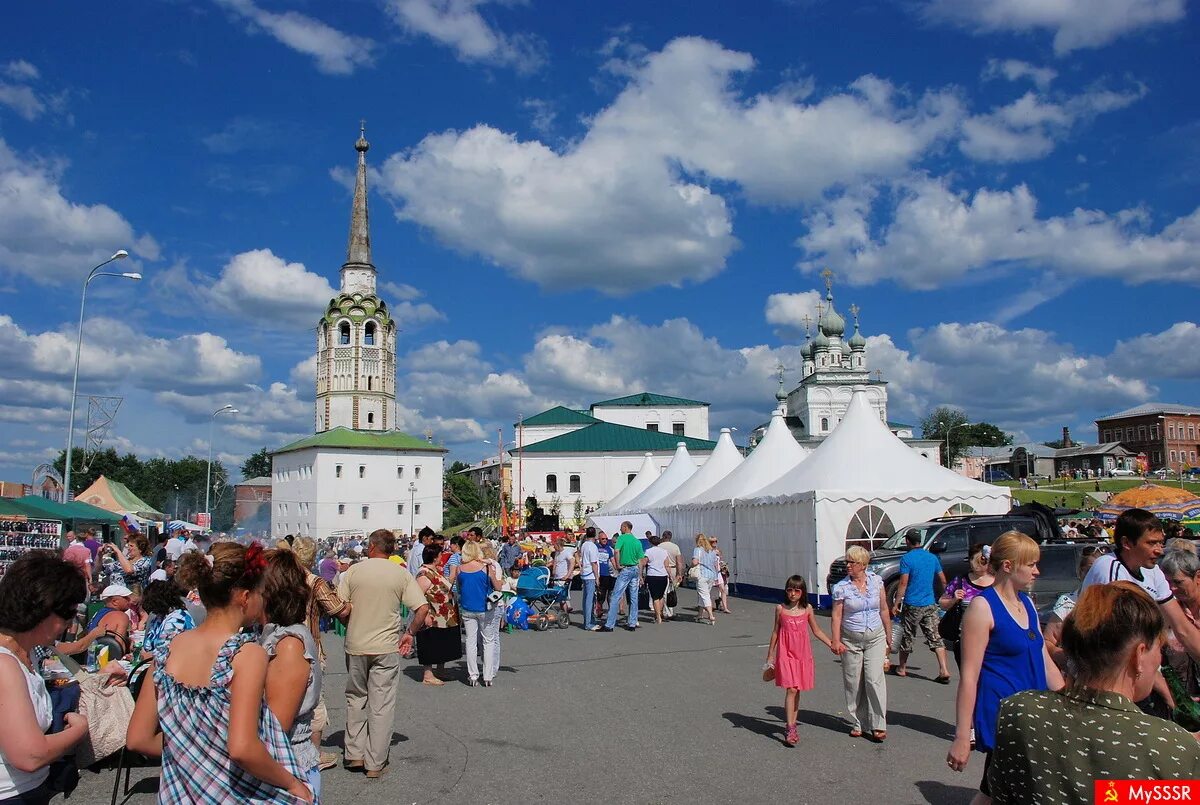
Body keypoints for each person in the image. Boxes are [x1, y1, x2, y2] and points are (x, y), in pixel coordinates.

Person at [126, 544, 313, 803]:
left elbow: (137, 739)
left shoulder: (168, 649)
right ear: (245, 597)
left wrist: (190, 749)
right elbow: (242, 747)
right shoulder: (246, 655)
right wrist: (293, 783)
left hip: (179, 794)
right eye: (261, 592)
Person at [989, 582, 1200, 801]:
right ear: (1138, 656)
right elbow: (1115, 794)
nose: (1160, 659)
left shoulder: (1018, 712)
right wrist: (1179, 744)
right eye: (1159, 647)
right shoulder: (1170, 747)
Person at [945, 531, 1064, 805]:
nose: (1037, 571)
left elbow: (1044, 659)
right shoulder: (982, 607)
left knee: (995, 791)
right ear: (1008, 566)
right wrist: (963, 736)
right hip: (1004, 718)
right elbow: (970, 677)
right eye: (1031, 564)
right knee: (1010, 790)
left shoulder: (1027, 604)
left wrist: (1071, 697)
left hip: (1033, 714)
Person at [337, 529, 430, 778]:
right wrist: (409, 632)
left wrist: (350, 624)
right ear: (391, 550)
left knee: (356, 697)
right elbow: (422, 607)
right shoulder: (399, 574)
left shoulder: (354, 571)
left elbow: (340, 607)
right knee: (382, 703)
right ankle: (375, 762)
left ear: (371, 547)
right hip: (386, 645)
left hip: (357, 642)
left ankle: (354, 753)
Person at [0, 552, 90, 805]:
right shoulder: (5, 664)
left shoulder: (29, 655)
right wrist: (79, 730)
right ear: (46, 610)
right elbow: (29, 756)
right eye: (68, 614)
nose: (70, 624)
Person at [1080, 508, 1200, 665]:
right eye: (1151, 543)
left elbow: (1182, 628)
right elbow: (1121, 641)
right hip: (1105, 668)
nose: (1159, 550)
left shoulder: (1153, 570)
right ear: (1127, 543)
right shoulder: (1108, 568)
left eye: (1160, 542)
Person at [259, 550, 323, 801]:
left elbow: (276, 727)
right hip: (278, 768)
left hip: (289, 769)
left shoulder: (288, 645)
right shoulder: (274, 634)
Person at [291, 538, 350, 772]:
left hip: (279, 644)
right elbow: (337, 609)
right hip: (309, 646)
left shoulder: (281, 578)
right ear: (312, 556)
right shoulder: (314, 582)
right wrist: (352, 607)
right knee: (314, 701)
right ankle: (312, 754)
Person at [764, 575, 835, 746]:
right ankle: (790, 728)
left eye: (797, 590)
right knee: (792, 689)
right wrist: (770, 655)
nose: (793, 593)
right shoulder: (780, 609)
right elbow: (775, 632)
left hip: (802, 654)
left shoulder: (808, 609)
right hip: (785, 653)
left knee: (797, 689)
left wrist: (832, 644)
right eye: (789, 589)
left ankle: (792, 724)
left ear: (802, 592)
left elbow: (816, 630)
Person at [830, 546, 891, 741]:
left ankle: (878, 723)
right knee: (854, 681)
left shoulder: (876, 582)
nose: (847, 565)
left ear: (863, 565)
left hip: (875, 636)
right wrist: (836, 640)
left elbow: (883, 609)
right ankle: (859, 721)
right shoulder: (841, 588)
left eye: (852, 562)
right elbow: (837, 615)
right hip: (851, 639)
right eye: (847, 562)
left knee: (874, 679)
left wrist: (889, 635)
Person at [892, 530, 951, 683]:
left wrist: (897, 602)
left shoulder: (907, 559)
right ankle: (944, 669)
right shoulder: (932, 558)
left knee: (907, 635)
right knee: (935, 636)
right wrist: (944, 595)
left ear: (907, 541)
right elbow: (943, 579)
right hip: (929, 602)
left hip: (912, 603)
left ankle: (902, 667)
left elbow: (903, 583)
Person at [1042, 545, 1105, 671]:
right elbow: (1047, 642)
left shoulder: (1116, 603)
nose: (1094, 576)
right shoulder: (1068, 602)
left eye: (1099, 572)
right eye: (1089, 570)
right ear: (1080, 572)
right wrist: (1061, 656)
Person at [450, 542, 503, 687]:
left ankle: (472, 675)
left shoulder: (460, 569)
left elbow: (459, 589)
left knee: (471, 641)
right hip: (485, 607)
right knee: (488, 640)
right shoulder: (486, 568)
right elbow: (498, 587)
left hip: (467, 608)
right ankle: (487, 675)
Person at [937, 543, 995, 669]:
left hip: (991, 641)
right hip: (964, 639)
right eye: (975, 560)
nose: (979, 564)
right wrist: (954, 599)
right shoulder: (961, 580)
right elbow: (942, 603)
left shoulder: (997, 582)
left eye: (983, 560)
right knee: (968, 676)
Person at [413, 544, 462, 686]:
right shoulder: (423, 574)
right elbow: (418, 596)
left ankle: (440, 670)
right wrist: (425, 614)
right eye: (440, 555)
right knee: (430, 643)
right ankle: (428, 674)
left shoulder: (435, 571)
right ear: (435, 558)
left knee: (443, 643)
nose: (442, 557)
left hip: (445, 616)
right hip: (433, 616)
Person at [601, 522, 646, 632]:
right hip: (635, 569)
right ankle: (632, 623)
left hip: (625, 569)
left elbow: (616, 551)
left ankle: (609, 624)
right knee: (634, 597)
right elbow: (641, 560)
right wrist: (640, 575)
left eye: (621, 527)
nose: (620, 529)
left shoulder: (622, 538)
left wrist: (617, 565)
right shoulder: (637, 541)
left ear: (625, 527)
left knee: (616, 595)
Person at [140, 579, 195, 664]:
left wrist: (140, 657)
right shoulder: (159, 617)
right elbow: (147, 646)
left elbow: (163, 654)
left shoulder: (177, 621)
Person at [88, 584, 134, 657]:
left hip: (90, 657)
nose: (130, 601)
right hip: (107, 659)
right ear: (114, 601)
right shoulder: (121, 616)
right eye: (126, 598)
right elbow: (119, 647)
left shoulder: (99, 613)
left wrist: (127, 640)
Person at [691, 534, 721, 626]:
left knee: (704, 596)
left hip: (702, 575)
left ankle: (711, 616)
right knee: (704, 594)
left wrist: (692, 564)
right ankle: (700, 614)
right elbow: (715, 564)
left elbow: (695, 562)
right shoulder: (712, 551)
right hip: (711, 575)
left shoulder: (698, 549)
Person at [643, 535, 674, 624]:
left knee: (655, 597)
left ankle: (658, 616)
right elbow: (667, 565)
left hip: (652, 575)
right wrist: (670, 576)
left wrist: (641, 573)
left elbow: (645, 562)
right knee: (661, 596)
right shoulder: (664, 552)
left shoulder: (648, 551)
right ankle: (659, 613)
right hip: (663, 575)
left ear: (650, 543)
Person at [577, 528, 601, 631]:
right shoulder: (592, 546)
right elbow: (594, 563)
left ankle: (589, 620)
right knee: (590, 599)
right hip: (590, 574)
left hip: (585, 573)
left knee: (586, 598)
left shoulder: (584, 545)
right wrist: (597, 577)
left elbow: (579, 555)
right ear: (595, 535)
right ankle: (588, 623)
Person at [659, 531, 683, 620]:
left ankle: (663, 611)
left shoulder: (659, 546)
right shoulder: (675, 547)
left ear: (663, 537)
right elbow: (679, 562)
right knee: (671, 591)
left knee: (662, 591)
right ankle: (669, 611)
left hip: (661, 569)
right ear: (671, 537)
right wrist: (679, 574)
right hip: (673, 569)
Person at [594, 532, 615, 620]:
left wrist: (617, 568)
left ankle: (609, 611)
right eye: (603, 539)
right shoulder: (595, 548)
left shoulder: (609, 549)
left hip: (607, 574)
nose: (605, 540)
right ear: (599, 539)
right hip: (598, 574)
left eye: (606, 539)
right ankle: (598, 610)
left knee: (608, 593)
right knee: (599, 594)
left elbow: (612, 560)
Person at [711, 537, 732, 614]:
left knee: (723, 589)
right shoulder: (708, 551)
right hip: (711, 573)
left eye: (715, 541)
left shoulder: (718, 551)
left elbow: (719, 560)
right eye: (712, 541)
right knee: (709, 590)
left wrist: (722, 565)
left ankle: (725, 608)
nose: (714, 542)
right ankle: (706, 607)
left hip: (718, 573)